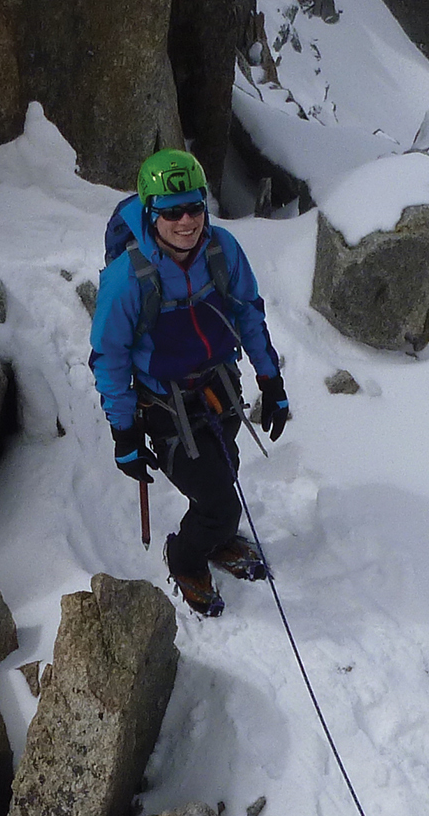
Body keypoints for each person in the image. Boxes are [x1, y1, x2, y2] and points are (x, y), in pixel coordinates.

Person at [90, 149, 292, 618]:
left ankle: (216, 538)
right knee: (220, 502)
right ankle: (185, 556)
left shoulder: (222, 250)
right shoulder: (127, 279)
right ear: (150, 214)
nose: (186, 222)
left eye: (194, 207)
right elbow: (109, 358)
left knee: (226, 466)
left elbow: (248, 313)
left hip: (221, 389)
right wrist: (125, 434)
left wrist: (271, 381)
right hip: (166, 408)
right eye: (171, 212)